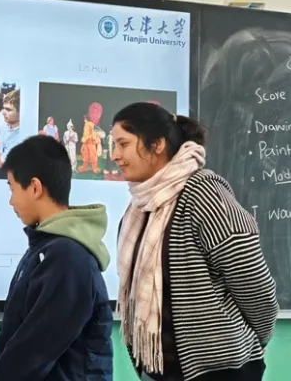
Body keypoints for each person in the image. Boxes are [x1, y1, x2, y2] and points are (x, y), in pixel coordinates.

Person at [111, 102, 278, 381]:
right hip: (160, 370)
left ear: (157, 144)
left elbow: (255, 288)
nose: (115, 155)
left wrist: (247, 344)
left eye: (123, 144)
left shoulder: (203, 193)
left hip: (220, 372)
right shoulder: (140, 207)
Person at [0, 135, 113, 381]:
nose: (11, 201)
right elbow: (14, 334)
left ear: (35, 187)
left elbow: (34, 351)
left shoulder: (67, 257)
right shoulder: (47, 247)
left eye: (12, 188)